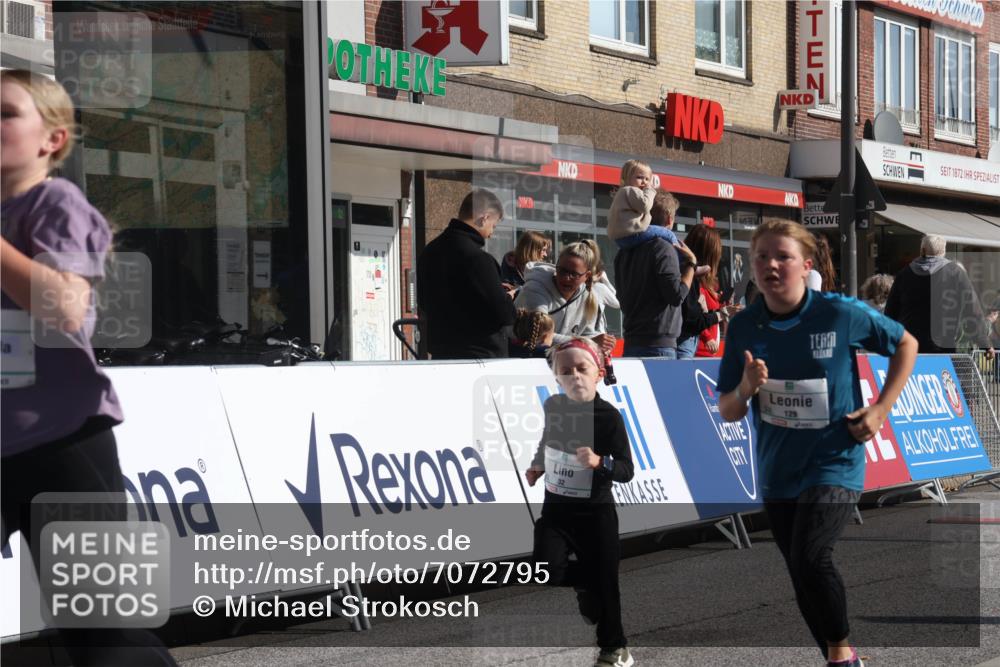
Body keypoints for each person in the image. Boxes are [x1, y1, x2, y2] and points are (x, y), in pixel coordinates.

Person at [1, 69, 177, 666]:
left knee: (102, 634)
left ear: (51, 138)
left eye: (5, 113)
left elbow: (67, 309)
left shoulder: (55, 202)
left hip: (59, 443)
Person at [716, 220, 918, 667]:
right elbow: (728, 409)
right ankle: (835, 659)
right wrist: (747, 386)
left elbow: (907, 344)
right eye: (761, 257)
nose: (771, 265)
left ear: (805, 265)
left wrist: (880, 409)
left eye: (782, 257)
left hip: (834, 460)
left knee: (811, 559)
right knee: (800, 574)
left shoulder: (840, 312)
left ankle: (845, 659)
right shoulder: (745, 327)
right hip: (777, 469)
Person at [525, 337, 635, 667]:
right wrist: (538, 465)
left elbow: (627, 469)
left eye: (582, 369)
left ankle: (614, 648)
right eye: (566, 371)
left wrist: (601, 463)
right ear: (557, 377)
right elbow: (548, 442)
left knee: (608, 585)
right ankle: (585, 581)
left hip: (596, 512)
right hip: (557, 510)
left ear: (598, 373)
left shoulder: (609, 417)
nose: (575, 376)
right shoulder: (555, 408)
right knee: (544, 570)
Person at [416, 189, 517, 359]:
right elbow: (504, 313)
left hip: (442, 354)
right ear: (483, 218)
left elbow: (423, 302)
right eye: (493, 225)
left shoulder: (429, 251)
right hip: (480, 356)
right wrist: (508, 297)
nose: (492, 233)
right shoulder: (478, 258)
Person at [614, 189, 697, 358]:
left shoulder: (624, 251)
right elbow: (676, 295)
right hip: (659, 345)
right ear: (669, 218)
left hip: (632, 340)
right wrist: (691, 265)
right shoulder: (663, 247)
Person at [884, 234, 995, 359]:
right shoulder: (955, 273)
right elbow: (972, 310)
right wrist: (984, 343)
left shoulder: (904, 273)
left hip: (909, 345)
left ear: (922, 251)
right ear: (943, 252)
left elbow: (890, 311)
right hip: (942, 346)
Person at [515, 240, 618, 356]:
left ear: (587, 275)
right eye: (562, 270)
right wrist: (588, 343)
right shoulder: (535, 289)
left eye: (574, 274)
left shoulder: (589, 295)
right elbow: (539, 335)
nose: (566, 278)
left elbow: (588, 333)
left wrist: (602, 343)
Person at [676, 224, 741, 359]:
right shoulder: (689, 276)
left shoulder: (695, 278)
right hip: (689, 345)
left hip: (691, 345)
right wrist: (722, 314)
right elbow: (693, 319)